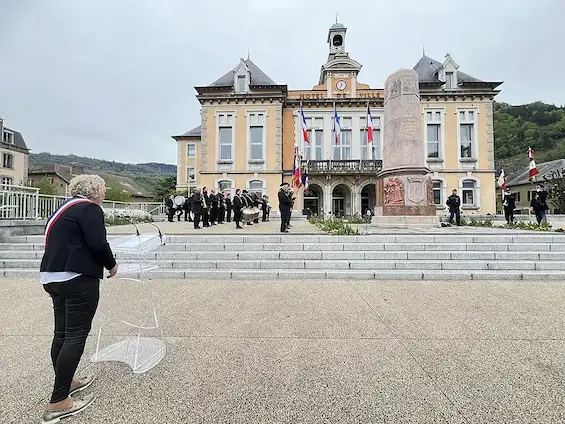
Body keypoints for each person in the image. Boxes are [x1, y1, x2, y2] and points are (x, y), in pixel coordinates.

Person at [40, 174, 118, 424]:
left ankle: (66, 381)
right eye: (103, 190)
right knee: (75, 335)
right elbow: (97, 243)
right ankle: (59, 401)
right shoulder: (89, 208)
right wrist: (112, 265)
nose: (104, 194)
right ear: (95, 191)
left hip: (52, 276)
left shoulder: (62, 209)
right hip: (77, 278)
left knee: (61, 334)